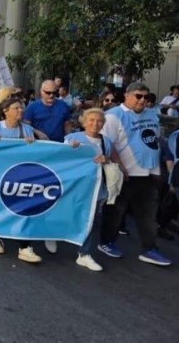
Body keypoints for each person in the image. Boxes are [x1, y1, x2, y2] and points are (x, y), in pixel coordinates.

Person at [98, 82, 172, 266]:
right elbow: (107, 143)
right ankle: (106, 242)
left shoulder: (151, 114)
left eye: (146, 97)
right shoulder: (114, 115)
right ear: (127, 95)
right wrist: (119, 166)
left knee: (148, 214)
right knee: (116, 211)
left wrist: (156, 169)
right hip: (124, 173)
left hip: (148, 174)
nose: (142, 100)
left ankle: (149, 249)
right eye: (138, 96)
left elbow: (153, 141)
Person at [0, 97, 42, 263]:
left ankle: (25, 247)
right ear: (5, 111)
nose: (20, 111)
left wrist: (33, 145)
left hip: (20, 175)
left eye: (21, 108)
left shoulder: (27, 129)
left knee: (24, 208)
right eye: (16, 108)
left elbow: (34, 154)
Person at [65, 108, 118, 272]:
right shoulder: (72, 138)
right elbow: (61, 161)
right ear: (84, 122)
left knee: (93, 220)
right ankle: (54, 235)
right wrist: (69, 150)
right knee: (69, 214)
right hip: (75, 186)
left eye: (99, 120)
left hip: (95, 187)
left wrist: (106, 159)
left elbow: (108, 162)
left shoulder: (106, 141)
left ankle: (84, 253)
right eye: (91, 120)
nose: (95, 123)